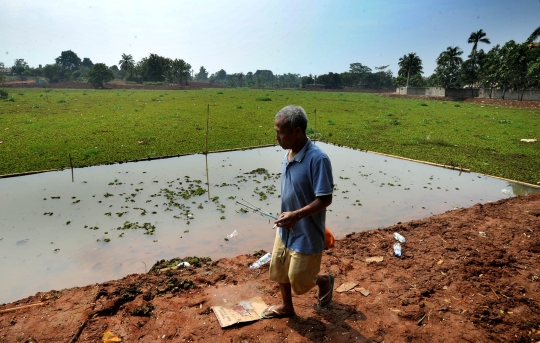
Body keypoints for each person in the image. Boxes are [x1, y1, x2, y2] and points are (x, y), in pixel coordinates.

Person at [262, 105, 334, 319]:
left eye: (280, 132)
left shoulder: (317, 159)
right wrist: (288, 216)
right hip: (286, 226)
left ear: (297, 131)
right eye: (276, 131)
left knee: (300, 280)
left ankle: (324, 281)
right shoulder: (289, 154)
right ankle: (287, 307)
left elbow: (325, 198)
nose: (277, 137)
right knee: (279, 269)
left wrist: (296, 215)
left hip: (307, 230)